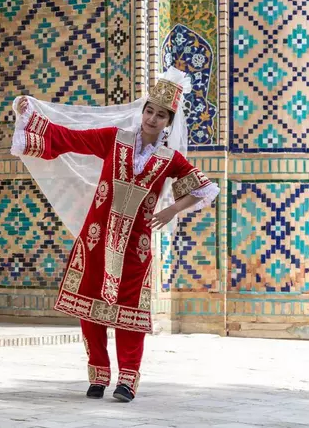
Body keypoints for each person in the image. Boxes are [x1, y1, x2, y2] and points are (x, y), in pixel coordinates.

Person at [11, 67, 219, 402]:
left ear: (169, 121)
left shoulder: (170, 159)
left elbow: (204, 188)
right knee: (89, 310)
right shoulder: (114, 139)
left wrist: (171, 209)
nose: (152, 118)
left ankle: (127, 381)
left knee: (131, 315)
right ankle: (98, 375)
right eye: (149, 110)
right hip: (96, 237)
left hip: (136, 246)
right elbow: (69, 137)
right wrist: (32, 116)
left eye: (160, 115)